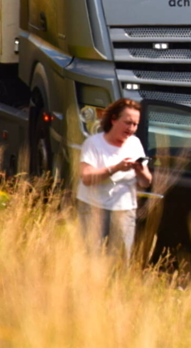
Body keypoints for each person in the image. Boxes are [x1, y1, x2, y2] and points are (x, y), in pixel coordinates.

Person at [76, 98, 152, 260]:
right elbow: (87, 178)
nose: (131, 129)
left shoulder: (135, 143)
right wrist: (115, 168)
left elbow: (146, 182)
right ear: (113, 120)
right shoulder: (93, 143)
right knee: (92, 258)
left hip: (124, 211)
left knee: (121, 261)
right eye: (128, 123)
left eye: (135, 124)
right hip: (94, 209)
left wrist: (140, 171)